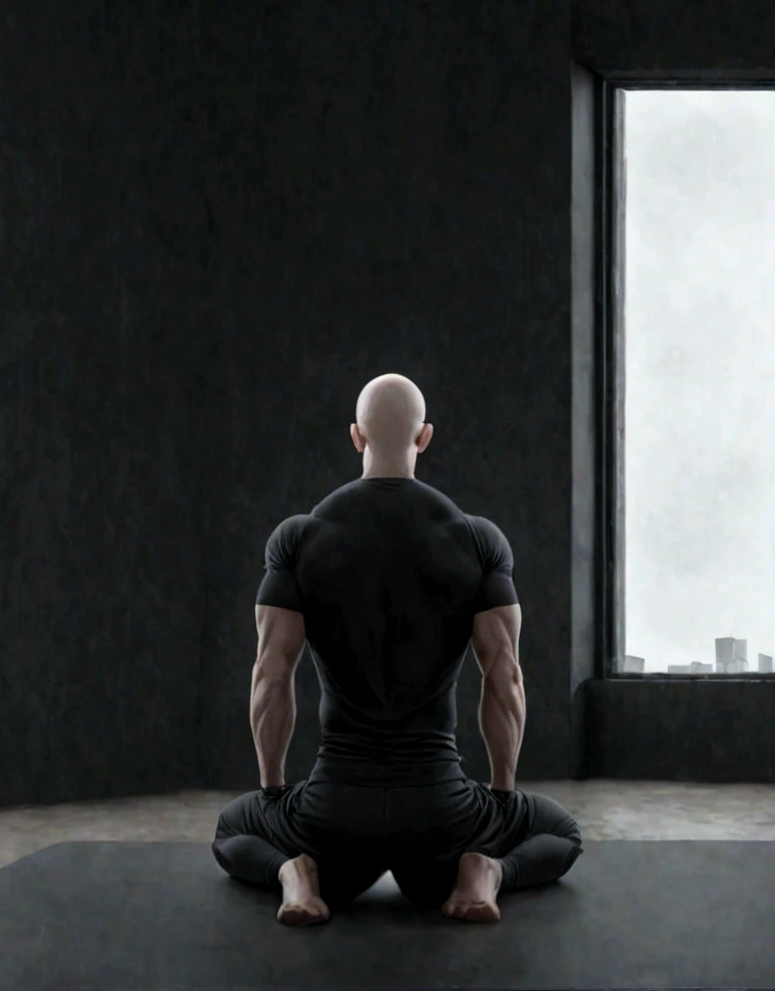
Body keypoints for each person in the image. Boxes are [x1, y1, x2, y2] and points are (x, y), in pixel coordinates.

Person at [211, 373, 584, 925]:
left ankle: (294, 872)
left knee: (232, 828)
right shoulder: (476, 539)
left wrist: (273, 791)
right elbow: (504, 675)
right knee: (561, 832)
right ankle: (487, 871)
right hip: (441, 812)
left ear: (357, 436)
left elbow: (271, 672)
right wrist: (501, 797)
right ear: (425, 436)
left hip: (333, 815)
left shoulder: (298, 537)